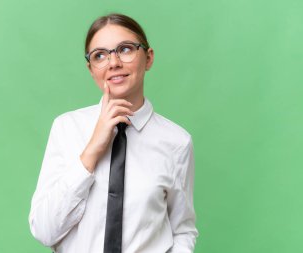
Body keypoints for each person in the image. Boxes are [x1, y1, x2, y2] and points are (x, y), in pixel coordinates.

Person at [29, 13, 198, 253]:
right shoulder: (67, 129)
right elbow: (45, 231)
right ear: (91, 69)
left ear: (148, 58)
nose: (113, 63)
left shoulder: (177, 142)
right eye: (100, 55)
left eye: (126, 49)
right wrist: (90, 152)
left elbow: (182, 229)